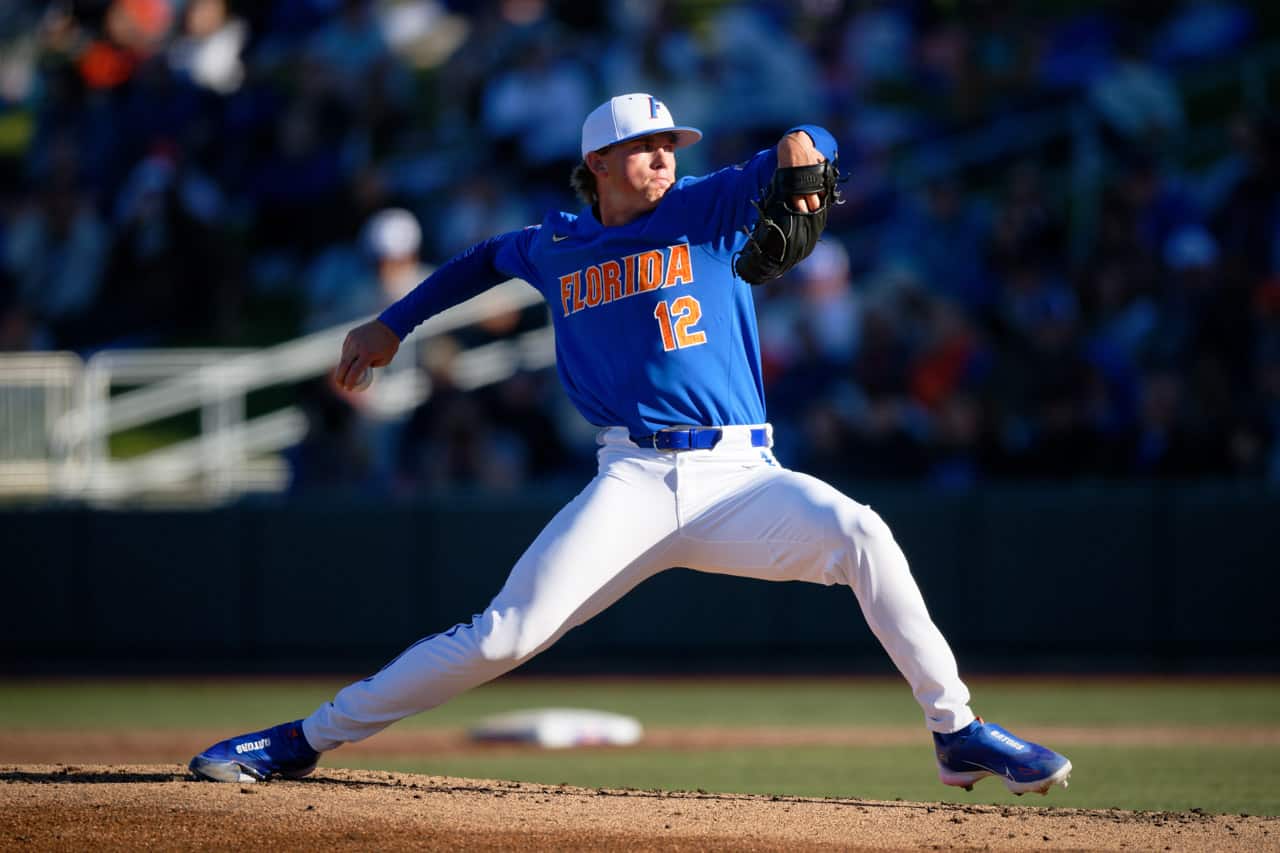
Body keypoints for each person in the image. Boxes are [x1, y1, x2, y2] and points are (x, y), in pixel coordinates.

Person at [190, 93, 1072, 796]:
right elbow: (480, 261)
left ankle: (956, 731)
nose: (664, 155)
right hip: (634, 477)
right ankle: (304, 738)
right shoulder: (559, 243)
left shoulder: (710, 203)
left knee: (862, 533)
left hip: (740, 477)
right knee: (503, 637)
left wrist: (807, 146)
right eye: (645, 145)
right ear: (597, 164)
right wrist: (393, 322)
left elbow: (807, 142)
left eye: (670, 142)